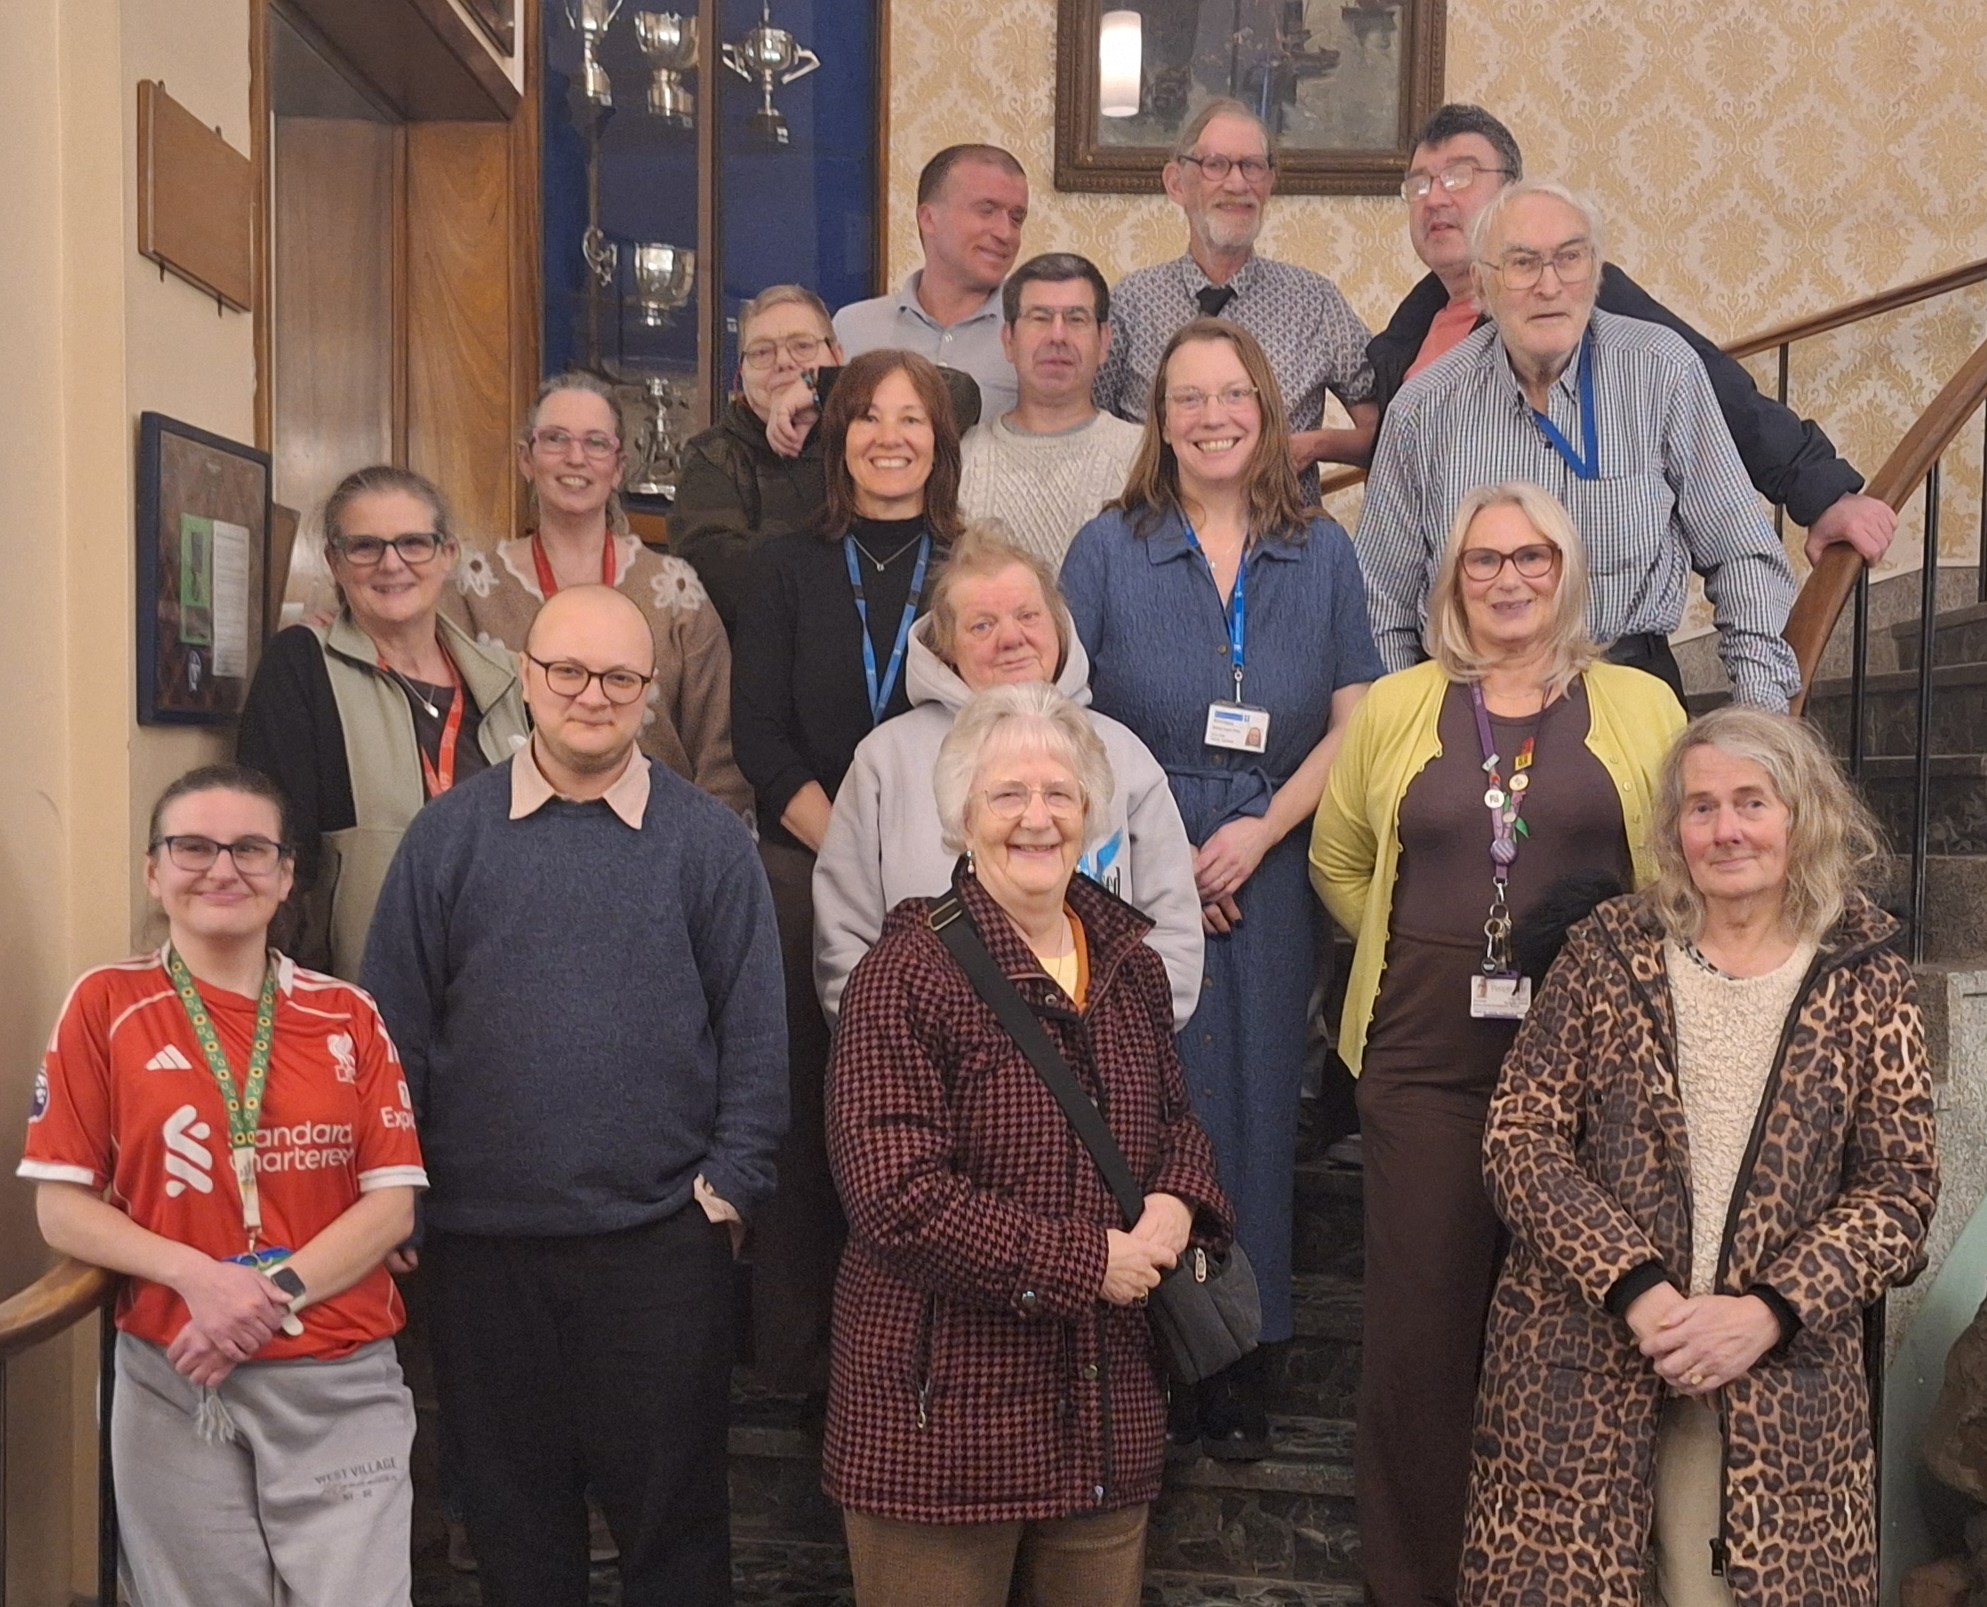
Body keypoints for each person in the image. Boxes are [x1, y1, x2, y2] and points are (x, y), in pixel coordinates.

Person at [361, 585, 787, 1606]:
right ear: (527, 675)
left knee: (675, 1537)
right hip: (481, 1248)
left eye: (619, 678)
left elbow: (757, 1036)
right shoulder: (446, 838)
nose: (591, 695)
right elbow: (390, 1035)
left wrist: (725, 1191)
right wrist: (401, 1197)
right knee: (515, 1538)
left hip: (658, 1247)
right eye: (568, 672)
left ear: (648, 693)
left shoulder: (709, 843)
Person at [1462, 705, 1940, 1607]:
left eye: (1751, 802)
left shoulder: (1865, 967)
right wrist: (1639, 1290)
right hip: (1582, 1360)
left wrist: (1767, 1310)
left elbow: (1901, 1186)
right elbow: (1519, 1139)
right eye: (1700, 807)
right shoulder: (1608, 949)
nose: (1726, 830)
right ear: (1672, 831)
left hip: (1779, 1380)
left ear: (1801, 816)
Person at [1309, 481, 1683, 1607]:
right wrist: (1410, 943)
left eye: (1530, 557)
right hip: (1422, 1059)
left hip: (1591, 1069)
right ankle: (1412, 1585)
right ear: (1450, 578)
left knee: (1577, 1345)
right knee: (1418, 1348)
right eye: (1482, 560)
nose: (1508, 578)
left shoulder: (1638, 702)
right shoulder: (1396, 704)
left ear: (1565, 572)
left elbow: (1675, 873)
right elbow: (1338, 860)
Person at [823, 681, 1232, 1602]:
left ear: (1089, 814)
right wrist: (1087, 1261)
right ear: (962, 816)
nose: (1036, 817)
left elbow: (1177, 1124)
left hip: (1102, 1413)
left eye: (1059, 794)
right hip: (939, 1424)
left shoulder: (1127, 963)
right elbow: (897, 1196)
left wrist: (1177, 1202)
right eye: (1008, 794)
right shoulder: (904, 973)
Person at [1061, 318, 1380, 1457]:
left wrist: (1257, 831)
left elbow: (1355, 716)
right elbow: (1070, 720)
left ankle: (1242, 1349)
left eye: (1233, 395)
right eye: (1187, 398)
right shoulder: (1107, 548)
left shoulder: (1324, 554)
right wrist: (1160, 858)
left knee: (1250, 1104)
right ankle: (1146, 1344)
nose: (1212, 417)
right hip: (1127, 863)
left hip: (1270, 852)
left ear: (1270, 411)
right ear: (1160, 419)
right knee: (1142, 1101)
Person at [20, 764, 426, 1606]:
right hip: (178, 1371)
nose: (221, 868)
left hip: (336, 1370)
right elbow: (60, 1207)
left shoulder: (348, 1013)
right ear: (153, 870)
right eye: (193, 846)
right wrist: (203, 1280)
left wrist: (268, 1293)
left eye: (250, 849)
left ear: (286, 876)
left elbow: (389, 1205)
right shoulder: (105, 1003)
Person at [729, 346, 966, 1398]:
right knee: (809, 1107)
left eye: (912, 419)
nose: (889, 436)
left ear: (940, 442)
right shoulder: (783, 565)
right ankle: (800, 1357)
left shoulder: (970, 568)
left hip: (951, 885)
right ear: (837, 437)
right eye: (868, 416)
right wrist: (858, 860)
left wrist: (908, 867)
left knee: (938, 1120)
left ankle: (928, 1346)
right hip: (806, 876)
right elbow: (761, 739)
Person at [1368, 103, 1896, 570]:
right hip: (1451, 643)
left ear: (1513, 190)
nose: (1434, 198)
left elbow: (1714, 385)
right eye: (1418, 184)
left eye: (1459, 177)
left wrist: (1821, 491)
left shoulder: (1576, 298)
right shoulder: (1404, 339)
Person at [1356, 179, 1803, 709]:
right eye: (1523, 264)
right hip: (1470, 704)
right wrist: (1408, 736)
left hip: (1633, 692)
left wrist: (1758, 716)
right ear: (1481, 282)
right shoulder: (1424, 408)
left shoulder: (1662, 371)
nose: (1550, 286)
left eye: (1569, 259)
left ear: (1595, 272)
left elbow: (1743, 556)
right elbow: (1379, 605)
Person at [812, 525, 1201, 1029]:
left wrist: (1111, 1050)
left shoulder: (1123, 755)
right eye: (982, 626)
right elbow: (843, 941)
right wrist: (900, 1053)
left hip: (1099, 1076)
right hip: (931, 1073)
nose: (1011, 638)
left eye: (1028, 615)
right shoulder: (884, 763)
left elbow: (1173, 934)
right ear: (946, 646)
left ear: (1059, 625)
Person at [237, 466, 529, 979]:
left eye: (414, 543)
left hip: (501, 983)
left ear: (448, 554)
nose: (391, 564)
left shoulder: (510, 682)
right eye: (365, 546)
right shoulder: (300, 668)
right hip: (361, 992)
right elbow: (274, 861)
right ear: (334, 561)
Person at [444, 369, 750, 814]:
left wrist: (707, 859)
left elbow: (722, 750)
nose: (575, 457)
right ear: (526, 459)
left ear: (619, 467)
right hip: (508, 842)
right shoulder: (473, 586)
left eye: (595, 443)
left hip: (655, 846)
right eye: (555, 439)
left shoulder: (674, 592)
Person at [1093, 99, 1378, 499]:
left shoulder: (1315, 302)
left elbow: (1389, 433)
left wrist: (1315, 445)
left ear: (1270, 183)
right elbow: (1090, 429)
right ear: (1176, 183)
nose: (1237, 184)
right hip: (1156, 540)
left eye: (1252, 166)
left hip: (1284, 541)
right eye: (1216, 165)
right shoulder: (1130, 303)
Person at [671, 284, 844, 631]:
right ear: (742, 373)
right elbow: (717, 574)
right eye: (762, 352)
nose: (783, 362)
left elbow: (961, 393)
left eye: (802, 346)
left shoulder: (866, 431)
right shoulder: (712, 455)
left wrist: (820, 386)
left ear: (837, 357)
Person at [957, 253, 1142, 567]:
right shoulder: (963, 457)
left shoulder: (1143, 457)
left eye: (1076, 319)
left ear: (1105, 342)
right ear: (1008, 340)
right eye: (1040, 317)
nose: (1058, 335)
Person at [833, 144, 1029, 419]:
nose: (1005, 232)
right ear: (928, 218)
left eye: (1016, 218)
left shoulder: (1034, 336)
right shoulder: (853, 327)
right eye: (987, 210)